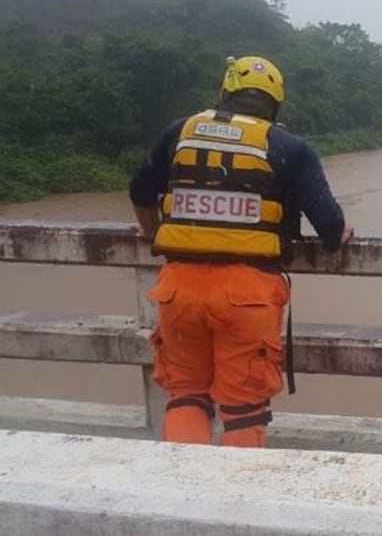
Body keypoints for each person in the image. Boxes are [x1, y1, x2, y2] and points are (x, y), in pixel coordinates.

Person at [128, 55, 352, 447]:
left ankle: (180, 491)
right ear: (276, 102)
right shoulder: (288, 147)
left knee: (186, 394)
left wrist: (155, 234)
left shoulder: (181, 131)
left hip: (178, 289)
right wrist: (344, 231)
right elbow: (329, 228)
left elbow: (140, 191)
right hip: (247, 296)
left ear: (225, 92)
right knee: (243, 408)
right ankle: (235, 499)